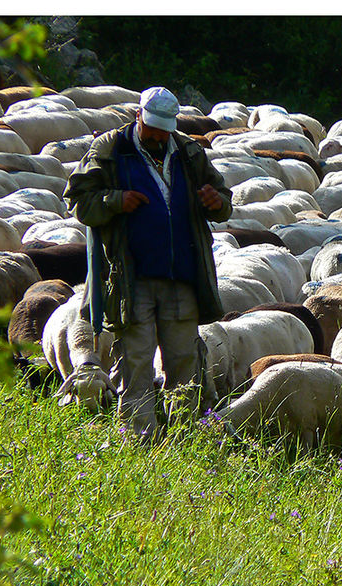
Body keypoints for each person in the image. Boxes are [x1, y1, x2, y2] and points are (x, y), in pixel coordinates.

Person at [64, 86, 232, 442]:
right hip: (131, 279)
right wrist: (114, 200)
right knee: (136, 362)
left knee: (185, 362)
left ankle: (187, 440)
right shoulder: (111, 149)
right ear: (138, 115)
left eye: (164, 128)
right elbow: (79, 201)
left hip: (181, 277)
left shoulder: (188, 152)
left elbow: (223, 200)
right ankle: (140, 443)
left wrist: (215, 202)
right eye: (152, 126)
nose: (157, 135)